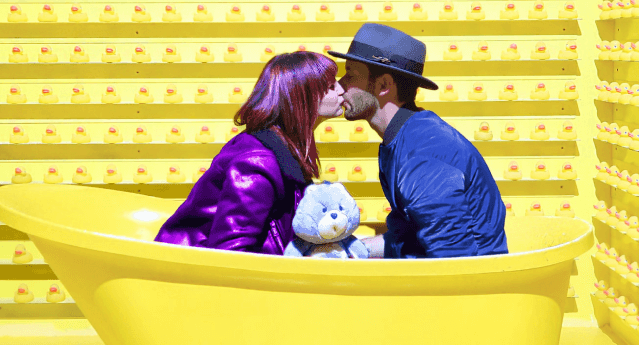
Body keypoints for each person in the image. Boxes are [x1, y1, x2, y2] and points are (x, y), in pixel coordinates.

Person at [331, 24, 508, 259]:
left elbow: (452, 259)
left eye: (351, 74)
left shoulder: (423, 152)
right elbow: (408, 240)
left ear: (383, 85)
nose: (339, 85)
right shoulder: (406, 137)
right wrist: (350, 252)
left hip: (469, 280)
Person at [155, 51, 344, 254]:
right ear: (304, 97)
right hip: (192, 266)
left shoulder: (283, 148)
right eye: (331, 87)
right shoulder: (258, 163)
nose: (342, 90)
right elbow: (231, 250)